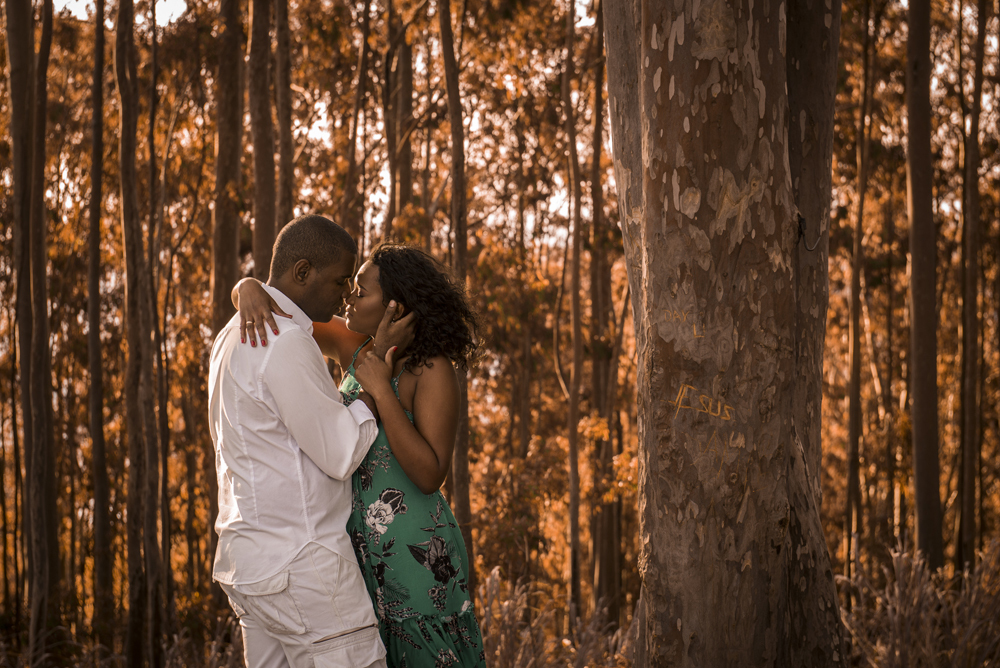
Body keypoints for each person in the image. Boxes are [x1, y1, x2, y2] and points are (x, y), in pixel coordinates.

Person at [237, 243, 486, 667]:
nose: (348, 298)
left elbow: (430, 475)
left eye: (360, 291)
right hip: (358, 555)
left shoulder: (433, 370)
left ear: (396, 307)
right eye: (350, 288)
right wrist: (246, 287)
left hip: (417, 555)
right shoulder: (355, 346)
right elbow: (285, 315)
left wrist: (381, 388)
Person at [210, 215, 412, 668]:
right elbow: (342, 453)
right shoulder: (284, 343)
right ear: (302, 272)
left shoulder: (229, 336)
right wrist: (376, 383)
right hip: (305, 568)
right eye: (341, 280)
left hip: (251, 567)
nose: (346, 294)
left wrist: (245, 284)